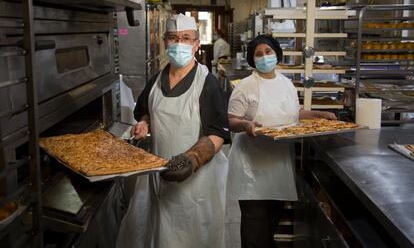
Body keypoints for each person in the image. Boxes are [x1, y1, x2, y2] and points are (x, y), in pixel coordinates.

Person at [116, 14, 230, 248]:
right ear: (165, 42)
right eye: (173, 38)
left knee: (192, 234)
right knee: (161, 234)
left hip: (196, 181)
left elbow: (218, 134)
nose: (179, 43)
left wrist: (194, 158)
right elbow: (144, 110)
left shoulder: (206, 83)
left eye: (186, 38)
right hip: (159, 174)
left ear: (196, 44)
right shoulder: (156, 80)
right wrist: (145, 123)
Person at [226, 34, 337, 248]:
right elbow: (231, 120)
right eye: (259, 54)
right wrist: (245, 125)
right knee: (255, 226)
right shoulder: (246, 86)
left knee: (272, 221)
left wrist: (317, 115)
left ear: (277, 54)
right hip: (252, 168)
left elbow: (294, 114)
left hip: (279, 164)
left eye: (268, 52)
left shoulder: (287, 84)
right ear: (252, 59)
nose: (264, 57)